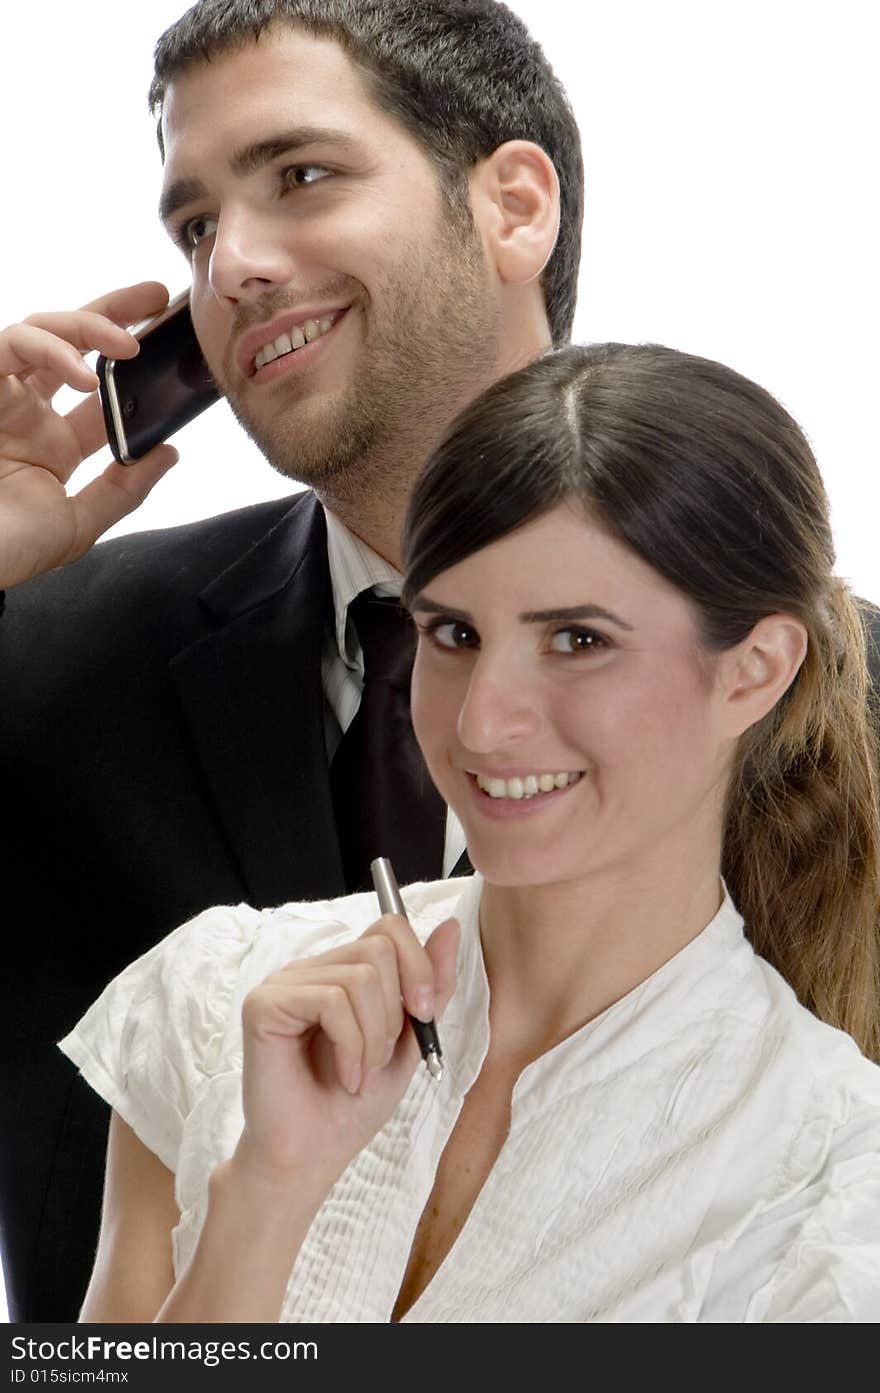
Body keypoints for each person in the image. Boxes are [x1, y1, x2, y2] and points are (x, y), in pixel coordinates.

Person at [60, 342, 880, 1323]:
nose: (482, 721)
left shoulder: (827, 1181)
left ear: (750, 671)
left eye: (577, 640)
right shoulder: (224, 996)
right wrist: (265, 1196)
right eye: (452, 634)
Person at [0, 0, 585, 1321]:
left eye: (300, 177)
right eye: (197, 228)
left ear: (513, 209)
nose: (232, 267)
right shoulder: (39, 660)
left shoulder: (824, 692)